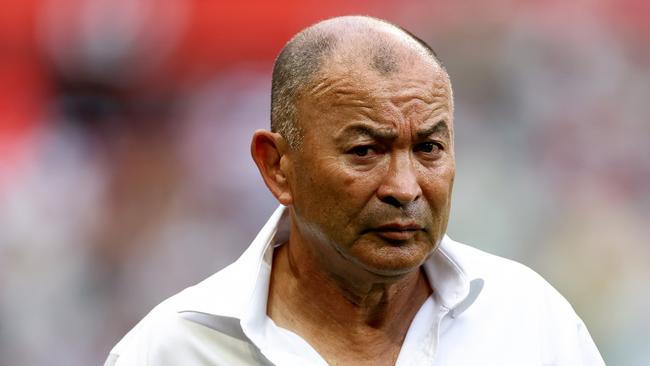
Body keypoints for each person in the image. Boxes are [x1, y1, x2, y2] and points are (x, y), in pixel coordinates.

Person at [105, 16, 605, 366]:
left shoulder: (531, 322)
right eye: (366, 150)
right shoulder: (173, 350)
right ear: (277, 167)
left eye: (429, 148)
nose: (405, 188)